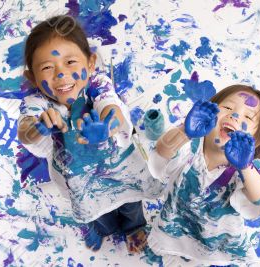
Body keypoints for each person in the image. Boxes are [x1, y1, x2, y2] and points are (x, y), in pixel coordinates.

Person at [17, 15, 158, 253]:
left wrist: (106, 127)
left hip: (121, 171)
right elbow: (24, 131)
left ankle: (134, 227)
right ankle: (104, 228)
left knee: (131, 203)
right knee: (98, 212)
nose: (61, 75)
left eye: (70, 62)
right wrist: (38, 127)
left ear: (90, 63)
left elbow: (111, 108)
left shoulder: (97, 84)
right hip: (80, 181)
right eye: (48, 68)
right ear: (33, 77)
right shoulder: (37, 102)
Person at [147, 84, 260, 266]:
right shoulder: (189, 143)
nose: (234, 115)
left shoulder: (247, 172)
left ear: (257, 139)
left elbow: (258, 202)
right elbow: (159, 161)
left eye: (248, 116)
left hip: (218, 244)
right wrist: (184, 132)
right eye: (228, 108)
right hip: (176, 228)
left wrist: (245, 167)